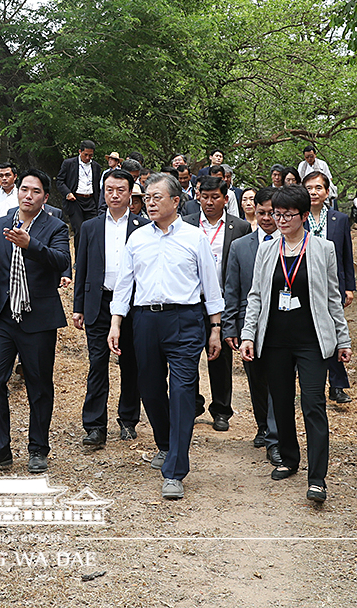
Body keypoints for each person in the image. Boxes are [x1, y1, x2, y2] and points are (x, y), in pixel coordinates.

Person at [108, 173, 224, 501]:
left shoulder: (194, 237)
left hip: (185, 320)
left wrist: (214, 328)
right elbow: (125, 285)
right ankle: (166, 443)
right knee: (150, 389)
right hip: (144, 320)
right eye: (147, 197)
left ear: (176, 201)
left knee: (184, 392)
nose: (150, 202)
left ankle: (175, 469)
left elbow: (210, 286)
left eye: (157, 197)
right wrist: (117, 323)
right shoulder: (138, 239)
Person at [240, 185, 351, 505]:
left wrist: (342, 339)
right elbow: (256, 296)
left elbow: (332, 297)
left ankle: (317, 478)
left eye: (288, 215)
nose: (281, 220)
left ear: (304, 216)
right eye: (277, 214)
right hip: (275, 340)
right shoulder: (267, 249)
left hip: (311, 341)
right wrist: (249, 334)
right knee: (282, 401)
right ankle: (288, 457)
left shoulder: (323, 249)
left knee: (313, 405)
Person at [0, 169, 71, 474]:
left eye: (35, 191)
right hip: (1, 317)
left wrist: (32, 246)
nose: (28, 195)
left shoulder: (55, 227)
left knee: (39, 386)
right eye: (24, 189)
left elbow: (61, 261)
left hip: (38, 318)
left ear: (45, 197)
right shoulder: (0, 225)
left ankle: (38, 449)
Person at [73, 169, 148, 447]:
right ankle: (94, 425)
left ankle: (128, 420)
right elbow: (81, 267)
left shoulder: (143, 227)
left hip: (133, 305)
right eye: (109, 190)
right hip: (98, 303)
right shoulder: (90, 227)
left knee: (131, 364)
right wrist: (78, 306)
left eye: (120, 190)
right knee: (97, 363)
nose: (114, 195)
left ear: (131, 194)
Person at [183, 175, 250, 431]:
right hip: (191, 300)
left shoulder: (239, 227)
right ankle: (193, 404)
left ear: (225, 198)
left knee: (219, 358)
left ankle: (221, 410)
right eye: (204, 196)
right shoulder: (186, 224)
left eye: (215, 197)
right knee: (188, 356)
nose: (209, 202)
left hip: (223, 302)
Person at [223, 186, 281, 465]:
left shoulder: (289, 244)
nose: (268, 218)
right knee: (257, 379)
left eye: (273, 213)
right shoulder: (240, 246)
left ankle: (275, 436)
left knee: (277, 380)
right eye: (262, 213)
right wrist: (230, 327)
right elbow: (232, 289)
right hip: (250, 324)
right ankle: (262, 425)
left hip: (282, 322)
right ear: (253, 213)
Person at [303, 171, 357, 404]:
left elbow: (346, 254)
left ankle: (336, 385)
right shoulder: (298, 218)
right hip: (303, 283)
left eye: (318, 188)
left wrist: (349, 287)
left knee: (335, 333)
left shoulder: (339, 219)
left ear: (327, 192)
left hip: (332, 285)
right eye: (309, 188)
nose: (313, 193)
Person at [56, 140, 102, 257]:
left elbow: (97, 186)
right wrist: (68, 193)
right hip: (75, 201)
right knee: (80, 231)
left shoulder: (96, 167)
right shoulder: (69, 163)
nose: (87, 157)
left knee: (93, 230)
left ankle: (92, 258)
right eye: (85, 154)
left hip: (91, 201)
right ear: (80, 152)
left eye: (90, 155)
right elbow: (60, 181)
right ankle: (79, 259)